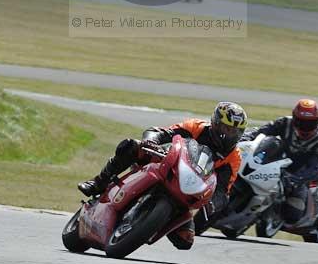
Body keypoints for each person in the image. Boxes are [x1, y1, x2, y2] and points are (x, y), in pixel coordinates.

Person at [78, 101, 248, 249]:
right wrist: (152, 140)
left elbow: (223, 189)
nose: (231, 134)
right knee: (131, 146)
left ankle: (146, 226)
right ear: (216, 122)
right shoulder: (197, 127)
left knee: (185, 241)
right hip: (167, 164)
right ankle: (99, 181)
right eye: (227, 128)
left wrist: (213, 203)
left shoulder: (234, 156)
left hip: (188, 190)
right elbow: (163, 132)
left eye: (236, 131)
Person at [245, 99, 318, 225]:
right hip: (273, 164)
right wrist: (247, 137)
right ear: (294, 118)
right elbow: (263, 131)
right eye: (300, 122)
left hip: (297, 175)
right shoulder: (285, 122)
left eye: (310, 124)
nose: (305, 127)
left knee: (293, 214)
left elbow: (314, 169)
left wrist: (295, 179)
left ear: (317, 121)